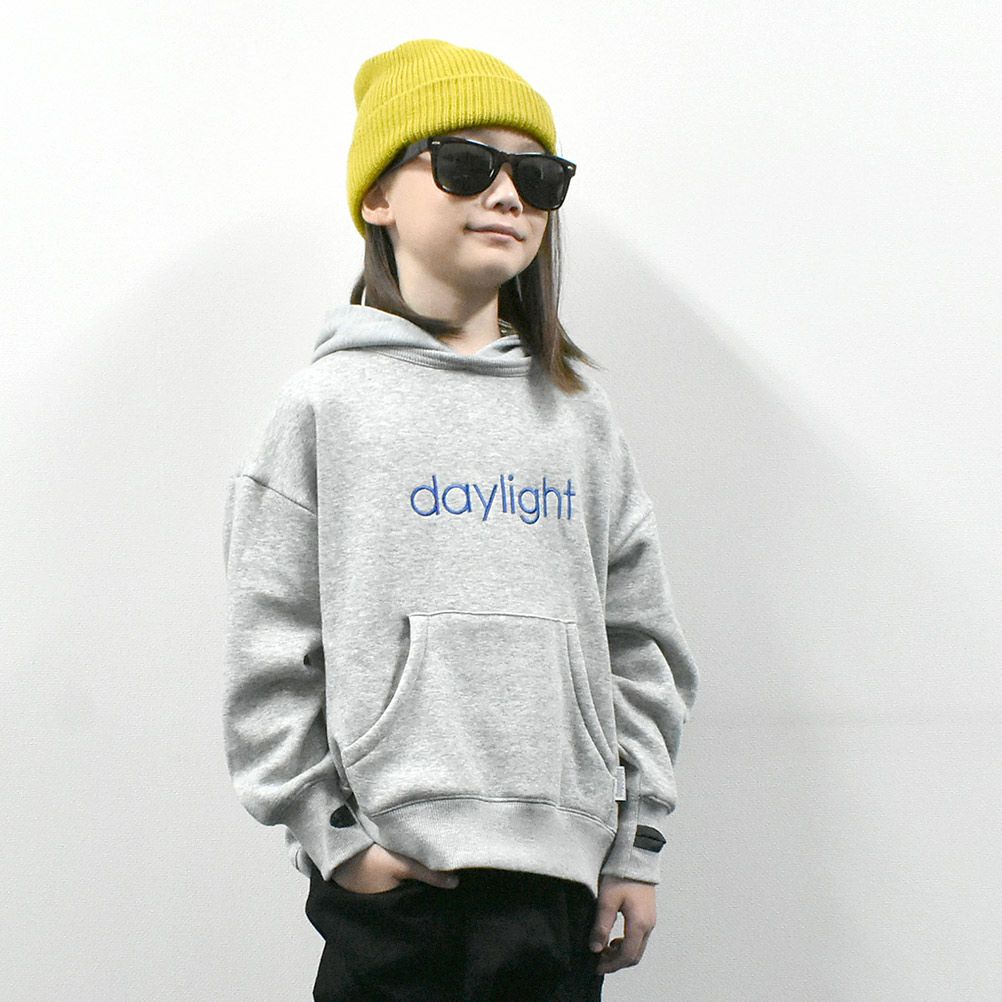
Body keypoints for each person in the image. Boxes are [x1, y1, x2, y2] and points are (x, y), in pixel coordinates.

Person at [221, 37, 700, 1002]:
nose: (508, 195)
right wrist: (338, 841)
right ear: (378, 197)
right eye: (467, 164)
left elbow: (638, 642)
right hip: (396, 885)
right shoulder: (325, 408)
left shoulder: (578, 417)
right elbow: (268, 649)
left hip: (559, 888)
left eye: (538, 176)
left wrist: (638, 842)